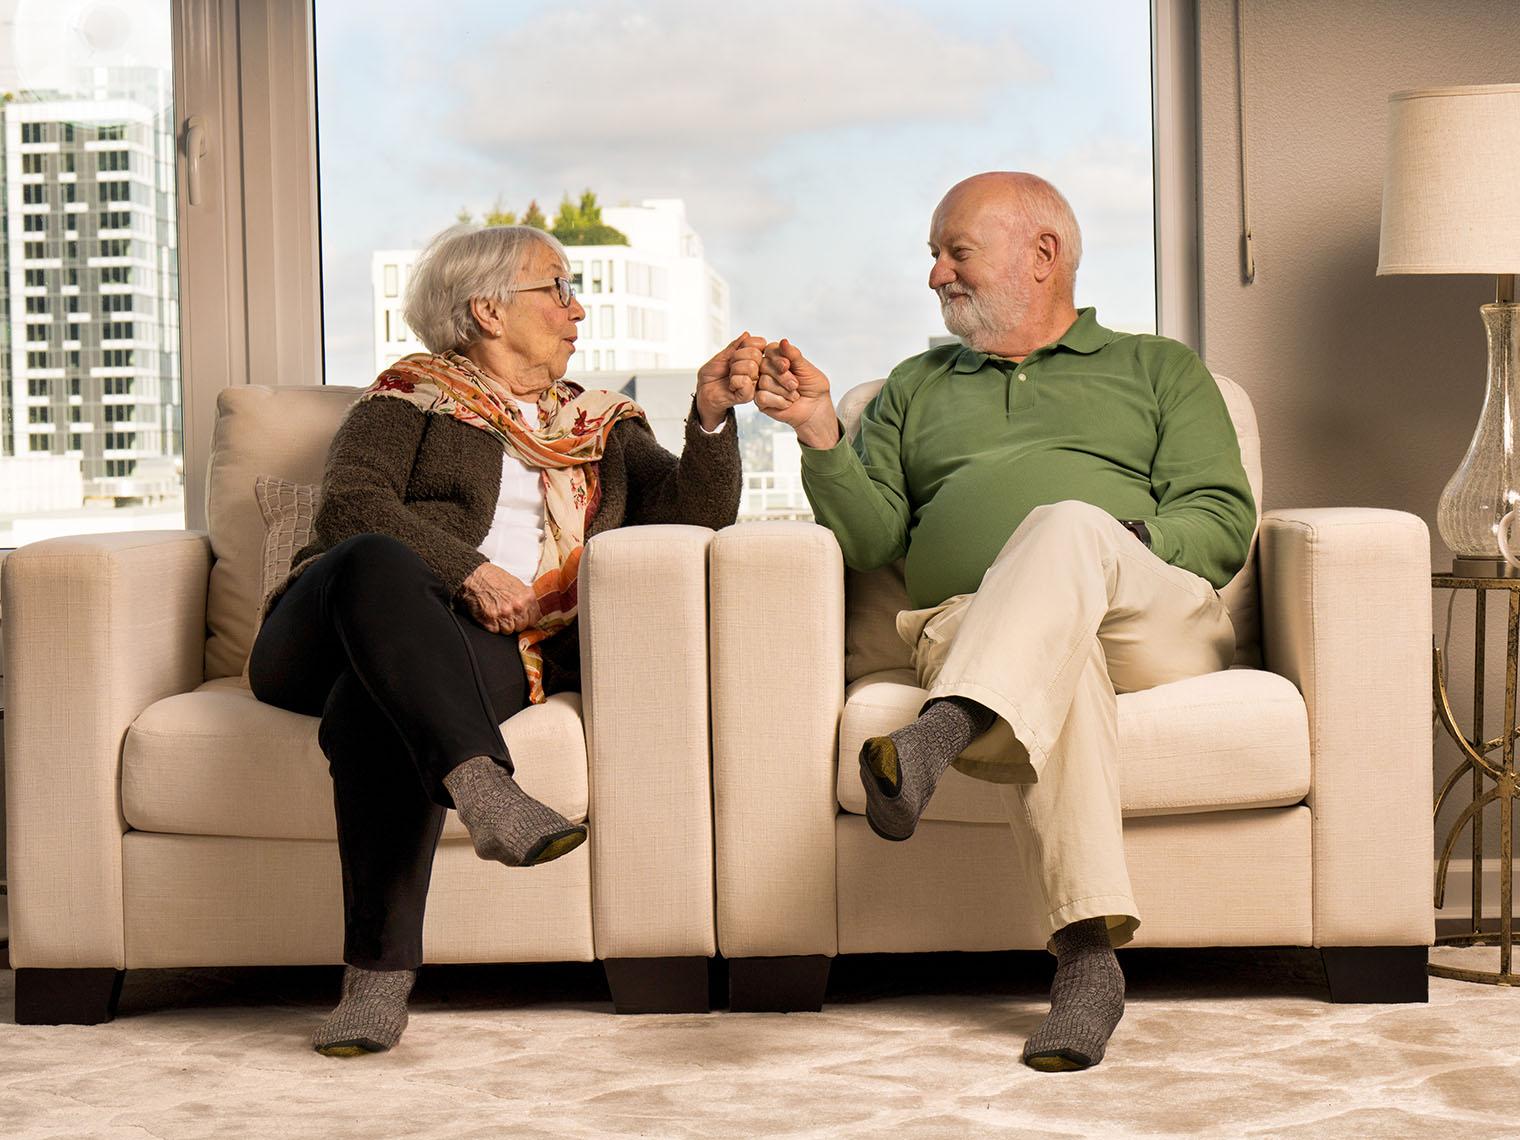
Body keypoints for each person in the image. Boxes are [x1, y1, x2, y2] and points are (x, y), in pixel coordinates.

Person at [754, 172, 1254, 1071]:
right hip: (973, 621)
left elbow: (1221, 521)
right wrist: (821, 433)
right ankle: (1087, 963)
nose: (936, 274)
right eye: (933, 256)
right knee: (1058, 673)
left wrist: (1108, 544)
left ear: (1043, 255)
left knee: (1064, 523)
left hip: (1149, 614)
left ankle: (940, 731)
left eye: (956, 251)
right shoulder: (913, 387)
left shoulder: (1158, 369)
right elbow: (871, 542)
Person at [248, 223, 758, 1056]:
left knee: (374, 714)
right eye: (555, 288)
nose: (576, 309)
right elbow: (351, 506)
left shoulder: (598, 426)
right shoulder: (405, 399)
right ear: (486, 309)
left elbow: (694, 516)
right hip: (326, 629)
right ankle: (485, 787)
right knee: (377, 555)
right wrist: (469, 571)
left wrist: (708, 414)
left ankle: (376, 981)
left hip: (484, 648)